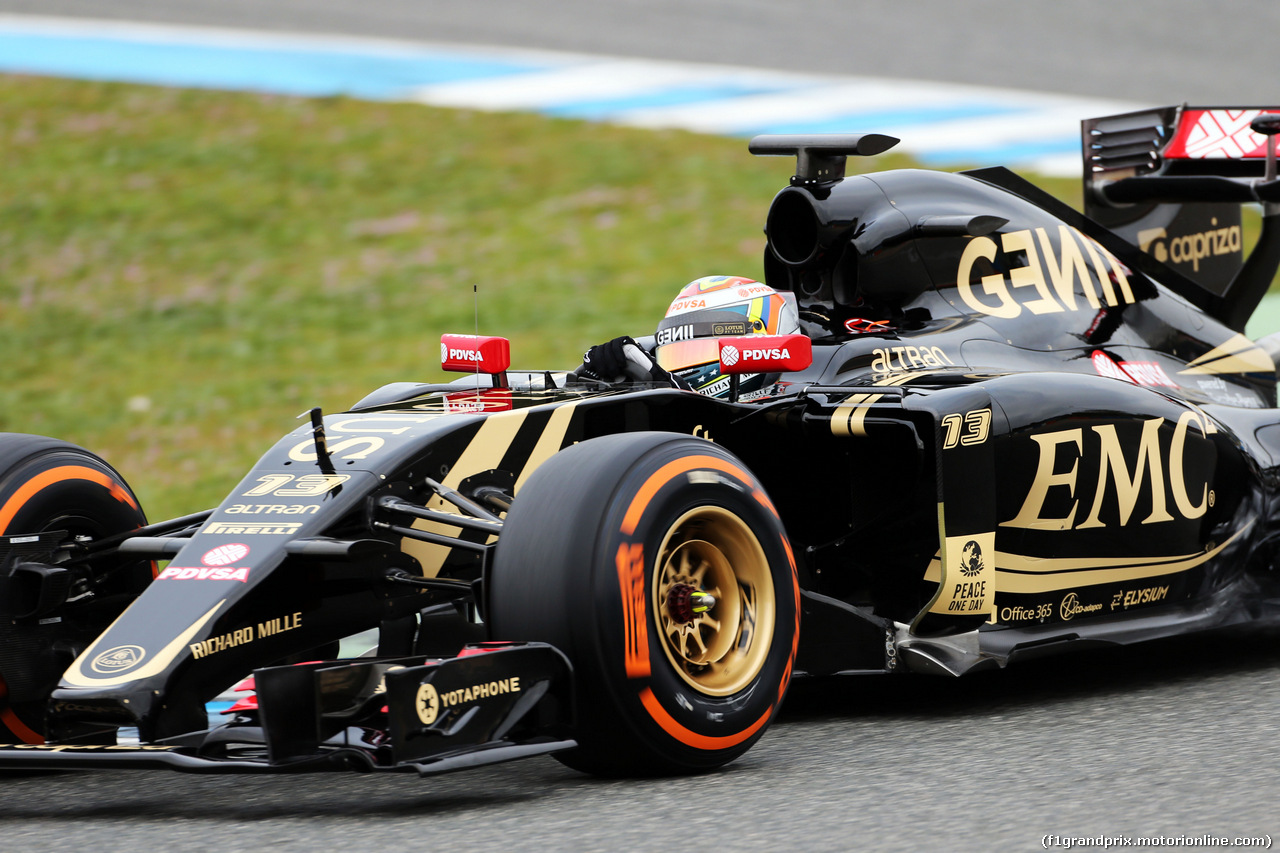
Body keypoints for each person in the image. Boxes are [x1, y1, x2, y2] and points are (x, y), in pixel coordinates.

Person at [575, 275, 801, 400]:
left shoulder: (796, 412)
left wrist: (674, 403)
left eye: (701, 350)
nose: (683, 369)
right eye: (676, 351)